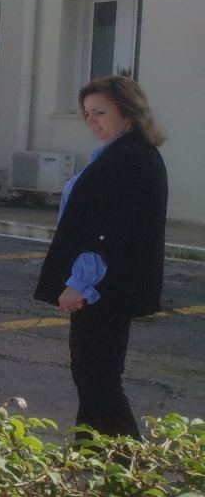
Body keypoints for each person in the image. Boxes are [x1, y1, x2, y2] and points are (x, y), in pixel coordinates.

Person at [34, 76, 168, 440]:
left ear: (127, 112)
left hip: (104, 290)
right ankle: (93, 457)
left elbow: (107, 231)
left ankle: (125, 462)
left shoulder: (127, 159)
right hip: (109, 289)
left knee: (98, 379)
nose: (92, 121)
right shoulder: (125, 153)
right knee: (93, 377)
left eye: (100, 113)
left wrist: (78, 284)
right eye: (87, 114)